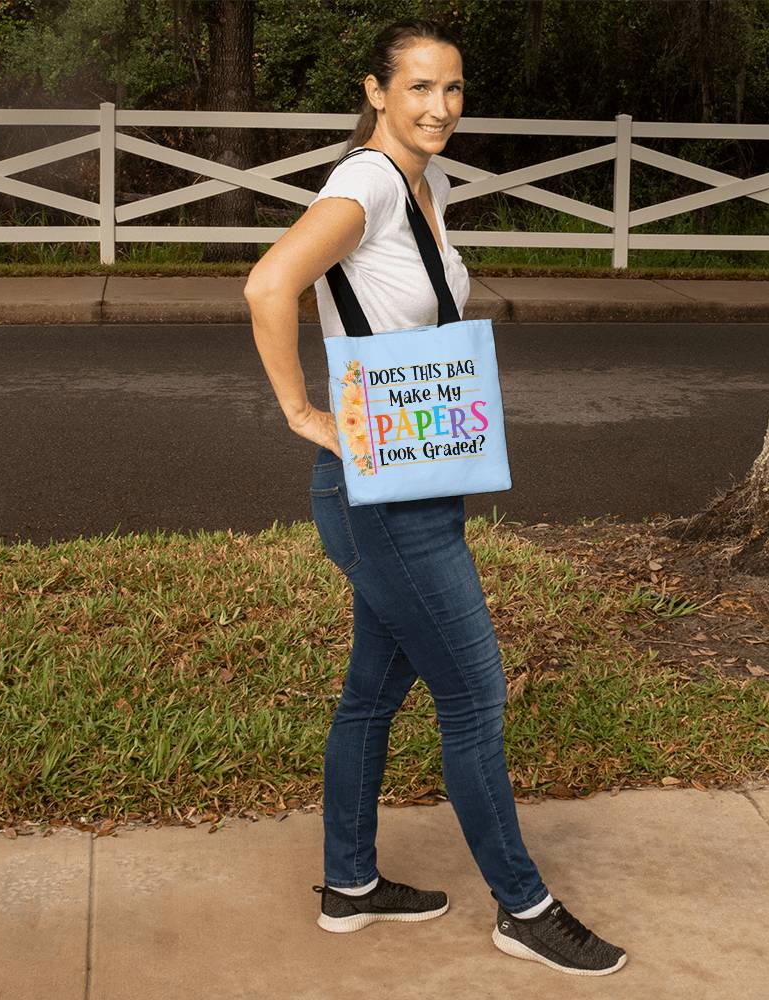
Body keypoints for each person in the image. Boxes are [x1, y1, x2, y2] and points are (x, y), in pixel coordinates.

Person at [244, 17, 627, 978]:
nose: (439, 107)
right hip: (380, 492)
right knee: (475, 694)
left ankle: (350, 887)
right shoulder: (368, 182)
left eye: (452, 89)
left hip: (415, 477)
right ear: (375, 91)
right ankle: (524, 907)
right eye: (417, 88)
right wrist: (301, 408)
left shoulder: (425, 181)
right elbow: (270, 284)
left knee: (374, 691)